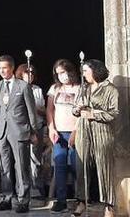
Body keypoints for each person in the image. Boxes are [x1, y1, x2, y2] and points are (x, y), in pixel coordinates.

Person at [0, 55, 38, 213]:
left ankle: (23, 199)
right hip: (2, 131)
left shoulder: (23, 86)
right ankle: (7, 197)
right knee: (5, 167)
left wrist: (33, 131)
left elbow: (31, 111)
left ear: (11, 67)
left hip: (19, 131)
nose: (2, 71)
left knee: (21, 166)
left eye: (4, 68)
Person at [73, 59, 119, 217]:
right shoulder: (83, 88)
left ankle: (109, 205)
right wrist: (77, 109)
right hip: (84, 131)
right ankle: (81, 202)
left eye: (86, 71)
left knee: (104, 167)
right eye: (83, 71)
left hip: (102, 132)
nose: (83, 74)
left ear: (96, 71)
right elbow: (74, 108)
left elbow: (114, 113)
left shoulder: (110, 89)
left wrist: (94, 114)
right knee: (82, 166)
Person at [46, 59, 81, 213]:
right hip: (59, 133)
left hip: (75, 132)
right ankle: (61, 201)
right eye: (58, 73)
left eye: (63, 72)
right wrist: (52, 129)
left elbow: (83, 113)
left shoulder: (80, 88)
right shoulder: (54, 88)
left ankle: (81, 199)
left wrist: (76, 131)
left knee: (75, 166)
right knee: (59, 166)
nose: (61, 76)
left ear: (70, 71)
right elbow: (49, 110)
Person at [15, 64, 47, 199]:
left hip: (37, 127)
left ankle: (36, 188)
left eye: (33, 73)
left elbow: (43, 110)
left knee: (35, 159)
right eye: (28, 73)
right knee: (21, 160)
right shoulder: (16, 88)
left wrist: (33, 106)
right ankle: (21, 188)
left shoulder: (37, 89)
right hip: (21, 127)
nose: (31, 76)